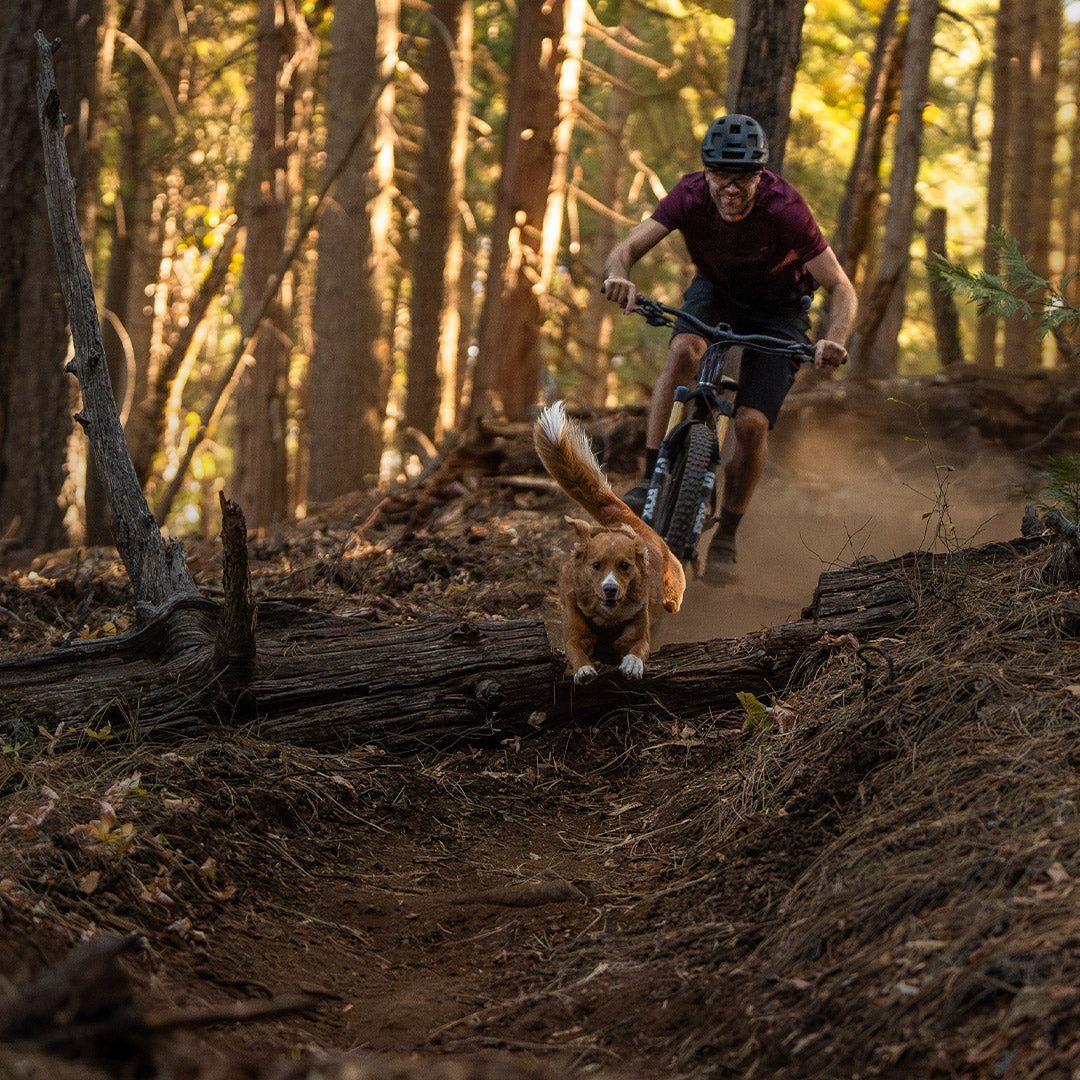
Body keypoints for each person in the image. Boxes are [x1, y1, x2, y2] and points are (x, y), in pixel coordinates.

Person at [602, 114, 857, 586]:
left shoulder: (787, 210)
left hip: (779, 311)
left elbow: (841, 287)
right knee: (683, 352)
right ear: (707, 173)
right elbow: (627, 249)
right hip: (716, 292)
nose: (730, 188)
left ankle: (726, 537)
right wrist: (619, 275)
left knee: (752, 423)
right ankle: (649, 476)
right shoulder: (689, 194)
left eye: (741, 177)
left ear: (760, 176)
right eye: (720, 175)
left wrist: (834, 338)